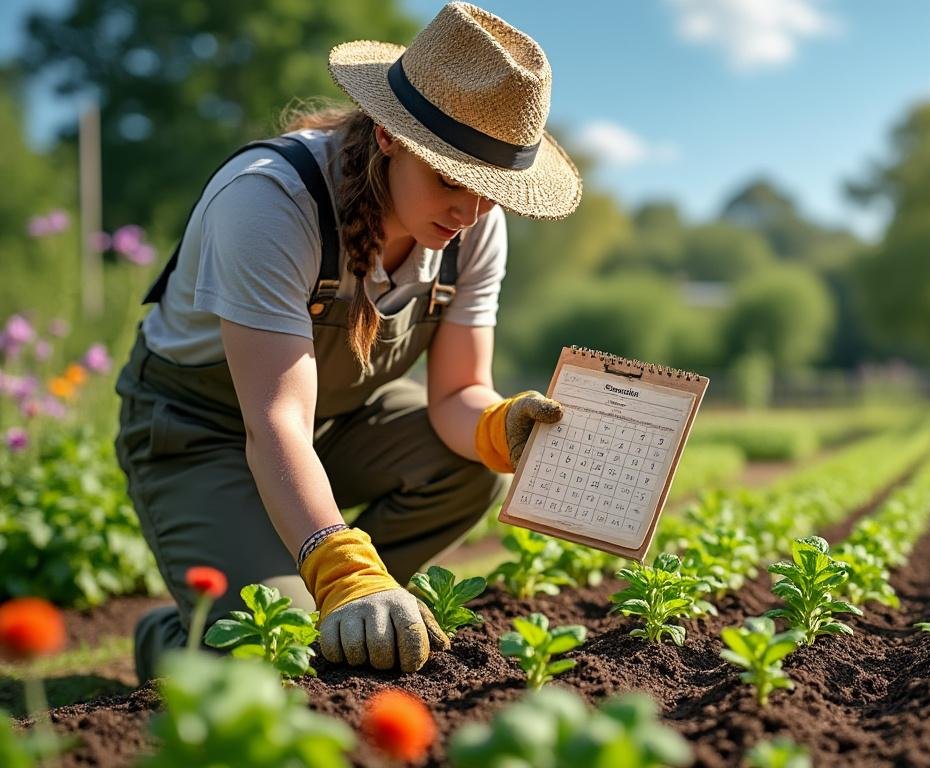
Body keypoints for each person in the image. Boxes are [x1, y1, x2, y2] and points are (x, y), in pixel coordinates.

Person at [114, 2, 581, 684]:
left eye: (492, 191)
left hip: (330, 428)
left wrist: (494, 426)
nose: (471, 211)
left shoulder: (473, 224)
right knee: (279, 653)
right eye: (452, 178)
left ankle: (344, 601)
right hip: (200, 435)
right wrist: (343, 568)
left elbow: (455, 393)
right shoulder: (270, 202)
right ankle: (174, 636)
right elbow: (275, 419)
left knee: (467, 467)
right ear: (391, 137)